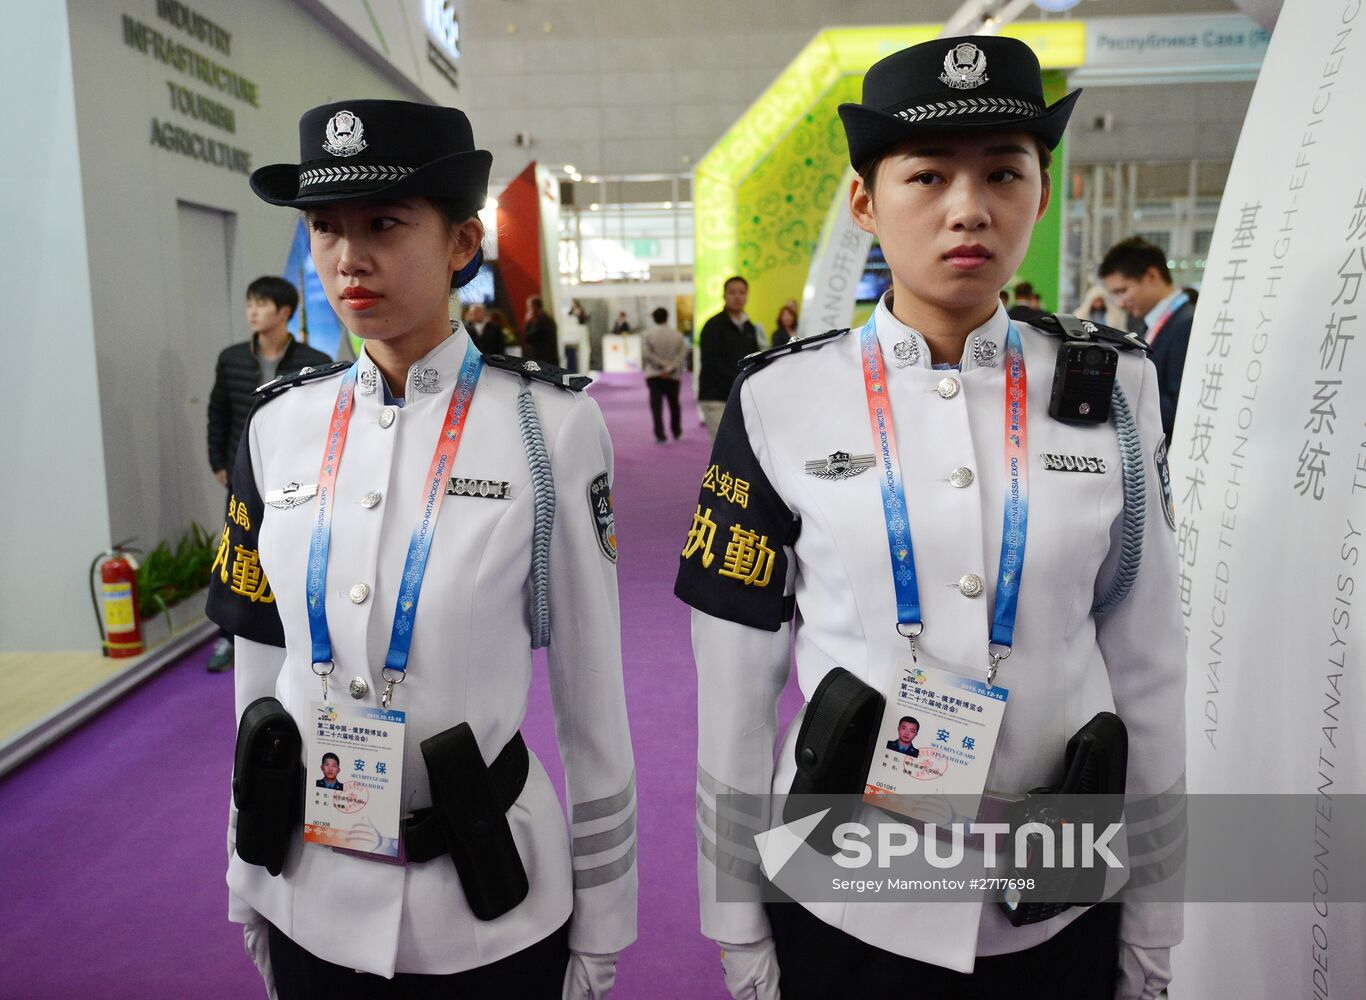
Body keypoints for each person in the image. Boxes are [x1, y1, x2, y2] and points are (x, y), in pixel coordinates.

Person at [676, 36, 1184, 1000]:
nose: (969, 208)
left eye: (1003, 171)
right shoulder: (780, 400)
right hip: (845, 891)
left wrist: (1155, 924)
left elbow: (1150, 661)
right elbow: (736, 690)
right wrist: (735, 921)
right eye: (927, 175)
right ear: (865, 201)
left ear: (1039, 191)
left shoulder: (1116, 388)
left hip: (1058, 892)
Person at [208, 99, 636, 998]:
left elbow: (592, 697)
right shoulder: (281, 426)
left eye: (385, 224)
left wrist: (605, 918)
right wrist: (248, 869)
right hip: (306, 892)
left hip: (485, 904)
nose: (347, 257)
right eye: (325, 228)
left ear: (460, 243)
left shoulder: (546, 428)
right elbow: (258, 666)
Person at [205, 275, 331, 673]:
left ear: (285, 312)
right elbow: (218, 412)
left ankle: (299, 633)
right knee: (240, 554)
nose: (253, 312)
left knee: (294, 552)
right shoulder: (231, 359)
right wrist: (219, 462)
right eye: (249, 304)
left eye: (261, 304)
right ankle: (231, 639)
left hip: (298, 479)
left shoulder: (315, 361)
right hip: (244, 475)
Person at [1099, 237, 1195, 442]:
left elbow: (1184, 407)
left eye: (1122, 291)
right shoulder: (1146, 324)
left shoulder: (1187, 324)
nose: (1119, 303)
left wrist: (1120, 399)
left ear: (1152, 276)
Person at [696, 276, 760, 441]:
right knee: (722, 446)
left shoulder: (749, 327)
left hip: (740, 396)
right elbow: (711, 363)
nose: (737, 297)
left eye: (742, 292)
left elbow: (754, 358)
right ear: (724, 296)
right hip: (715, 397)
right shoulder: (713, 326)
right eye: (732, 292)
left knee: (740, 447)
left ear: (747, 296)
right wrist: (738, 382)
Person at [642, 306, 687, 444]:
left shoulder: (647, 334)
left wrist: (660, 367)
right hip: (673, 376)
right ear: (667, 317)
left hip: (654, 374)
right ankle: (676, 431)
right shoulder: (678, 335)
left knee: (656, 406)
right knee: (674, 404)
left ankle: (660, 435)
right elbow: (682, 354)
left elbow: (647, 355)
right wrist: (670, 368)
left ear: (654, 318)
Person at [525, 295, 559, 364]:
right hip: (547, 360)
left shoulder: (542, 321)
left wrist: (527, 322)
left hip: (543, 361)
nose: (528, 310)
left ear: (534, 307)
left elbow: (529, 337)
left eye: (529, 307)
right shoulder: (547, 319)